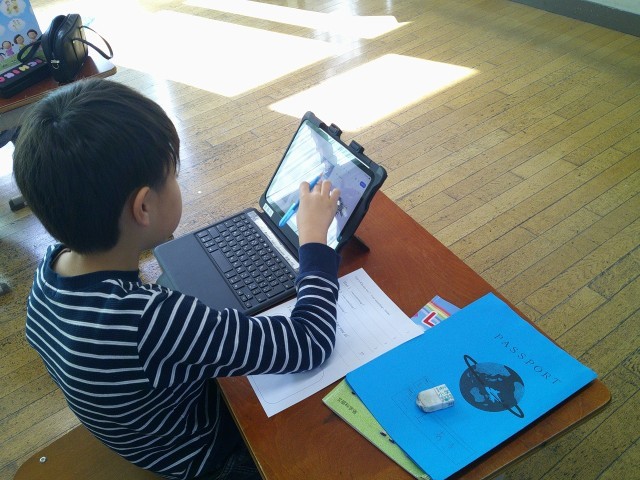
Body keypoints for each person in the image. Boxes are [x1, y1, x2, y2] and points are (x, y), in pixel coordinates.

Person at [12, 78, 341, 480]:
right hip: (209, 459)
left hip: (146, 432)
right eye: (173, 176)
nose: (177, 184)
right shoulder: (150, 320)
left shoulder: (49, 273)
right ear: (143, 207)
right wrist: (314, 242)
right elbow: (310, 343)